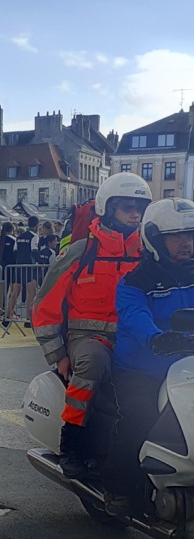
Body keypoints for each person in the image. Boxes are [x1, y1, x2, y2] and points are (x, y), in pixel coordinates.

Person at [32, 171, 152, 478]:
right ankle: (72, 444)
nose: (135, 213)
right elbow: (45, 306)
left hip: (133, 337)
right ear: (108, 209)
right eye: (127, 207)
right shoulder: (82, 251)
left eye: (139, 207)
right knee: (92, 365)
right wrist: (57, 355)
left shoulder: (147, 254)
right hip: (88, 337)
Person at [104, 198, 194, 515]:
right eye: (177, 236)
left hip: (186, 368)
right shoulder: (134, 282)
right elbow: (134, 316)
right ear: (155, 239)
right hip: (141, 369)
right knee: (140, 418)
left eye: (191, 235)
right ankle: (118, 490)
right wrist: (156, 338)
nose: (187, 243)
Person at [6, 215, 40, 327]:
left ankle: (7, 316)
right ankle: (28, 319)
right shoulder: (34, 236)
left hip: (18, 266)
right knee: (31, 292)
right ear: (36, 225)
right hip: (29, 267)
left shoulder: (19, 237)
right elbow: (34, 252)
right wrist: (39, 262)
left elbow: (14, 251)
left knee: (15, 292)